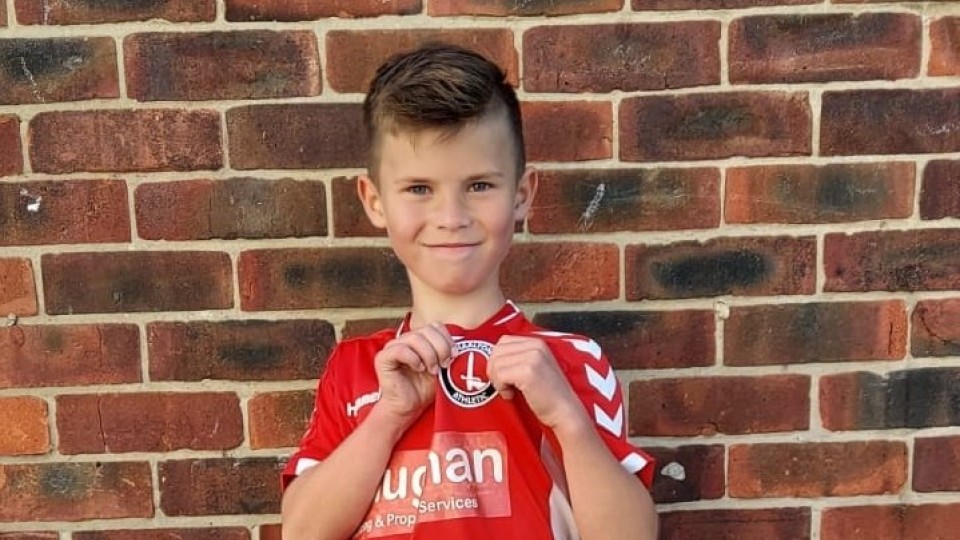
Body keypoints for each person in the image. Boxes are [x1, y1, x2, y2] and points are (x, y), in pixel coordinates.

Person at [280, 43, 658, 540]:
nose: (451, 218)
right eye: (419, 188)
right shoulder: (356, 369)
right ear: (375, 202)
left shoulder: (569, 361)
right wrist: (388, 417)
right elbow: (301, 532)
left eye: (479, 185)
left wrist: (566, 418)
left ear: (521, 196)